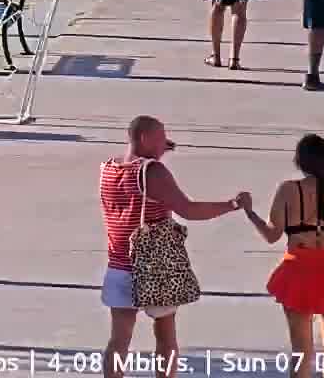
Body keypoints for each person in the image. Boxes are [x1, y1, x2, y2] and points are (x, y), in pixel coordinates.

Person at [99, 116, 250, 378]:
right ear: (144, 138)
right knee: (165, 336)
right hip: (154, 267)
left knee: (118, 342)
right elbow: (188, 210)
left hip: (119, 266)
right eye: (160, 137)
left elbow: (136, 186)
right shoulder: (152, 171)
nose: (164, 143)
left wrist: (155, 154)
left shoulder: (109, 169)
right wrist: (232, 205)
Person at [239, 135, 324, 378]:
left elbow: (271, 235)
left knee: (301, 348)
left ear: (299, 162)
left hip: (298, 270)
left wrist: (249, 212)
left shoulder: (288, 190)